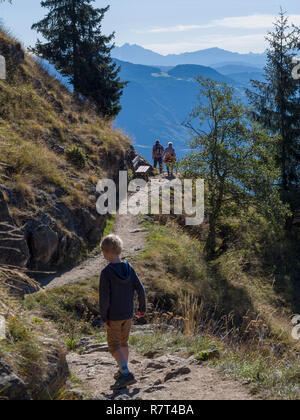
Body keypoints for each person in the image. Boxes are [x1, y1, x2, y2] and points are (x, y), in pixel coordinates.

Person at [99, 234, 146, 390]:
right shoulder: (128, 267)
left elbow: (104, 298)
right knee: (123, 343)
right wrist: (142, 308)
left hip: (114, 316)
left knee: (113, 346)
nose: (103, 255)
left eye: (103, 252)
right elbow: (140, 289)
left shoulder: (106, 272)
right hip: (128, 314)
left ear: (107, 252)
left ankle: (126, 374)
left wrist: (104, 317)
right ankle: (122, 370)